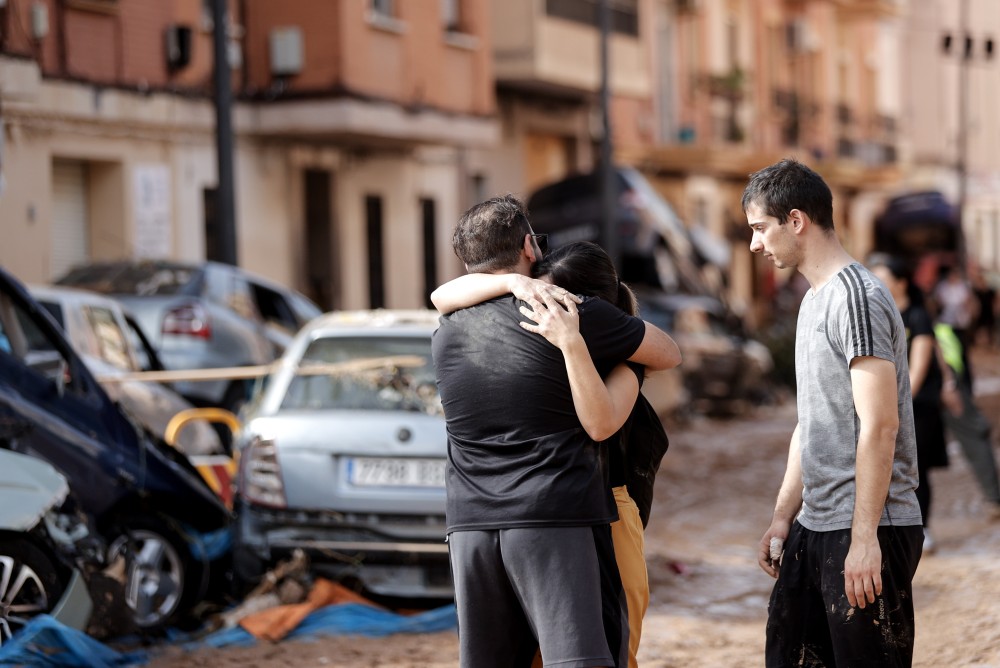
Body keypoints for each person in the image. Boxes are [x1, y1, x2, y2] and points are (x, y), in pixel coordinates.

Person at [431, 195, 681, 668]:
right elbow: (668, 353)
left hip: (469, 524)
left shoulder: (447, 328)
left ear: (468, 263)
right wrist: (624, 361)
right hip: (554, 514)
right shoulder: (571, 310)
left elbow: (440, 296)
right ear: (530, 245)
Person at [744, 159, 923, 667]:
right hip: (817, 524)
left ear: (795, 220)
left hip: (868, 528)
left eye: (760, 228)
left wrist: (865, 540)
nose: (755, 244)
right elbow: (812, 421)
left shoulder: (857, 299)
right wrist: (783, 518)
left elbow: (881, 424)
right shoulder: (813, 300)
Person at [868, 254, 959, 553]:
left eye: (882, 278)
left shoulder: (917, 317)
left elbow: (917, 368)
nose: (875, 284)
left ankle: (923, 527)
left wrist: (895, 406)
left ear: (900, 283)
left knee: (916, 468)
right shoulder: (877, 316)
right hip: (887, 404)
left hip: (917, 405)